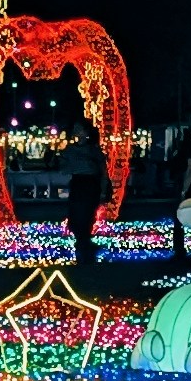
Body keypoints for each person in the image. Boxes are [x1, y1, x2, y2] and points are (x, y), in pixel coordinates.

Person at [67, 116, 112, 271]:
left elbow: (103, 172)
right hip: (78, 185)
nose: (75, 132)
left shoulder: (93, 150)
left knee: (85, 220)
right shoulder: (71, 150)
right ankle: (86, 249)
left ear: (86, 132)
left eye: (79, 129)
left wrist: (103, 191)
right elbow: (64, 167)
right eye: (75, 129)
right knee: (75, 221)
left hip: (89, 186)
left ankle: (84, 252)